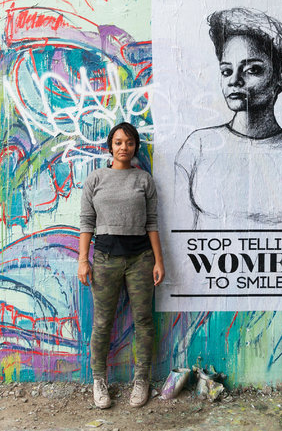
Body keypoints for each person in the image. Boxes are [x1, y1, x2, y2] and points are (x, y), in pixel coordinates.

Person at [175, 7, 282, 229]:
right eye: (226, 71)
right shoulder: (197, 146)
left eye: (252, 70)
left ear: (280, 78)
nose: (234, 80)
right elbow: (179, 236)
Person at [78, 122, 165, 409]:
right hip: (104, 260)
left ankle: (142, 381)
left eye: (129, 142)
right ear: (110, 146)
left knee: (143, 322)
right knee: (102, 323)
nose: (123, 147)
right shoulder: (96, 179)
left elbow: (152, 223)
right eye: (118, 142)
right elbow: (86, 223)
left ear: (136, 147)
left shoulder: (144, 181)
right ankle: (99, 380)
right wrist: (83, 260)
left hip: (140, 259)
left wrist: (159, 261)